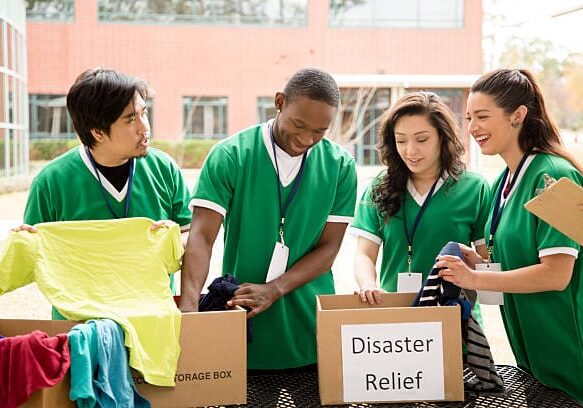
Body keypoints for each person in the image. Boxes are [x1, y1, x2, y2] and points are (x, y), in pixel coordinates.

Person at [180, 67, 357, 370]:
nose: (306, 138)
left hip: (310, 330)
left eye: (319, 131)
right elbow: (201, 237)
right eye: (299, 124)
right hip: (245, 325)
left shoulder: (340, 166)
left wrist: (275, 288)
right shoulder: (231, 155)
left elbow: (329, 250)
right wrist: (189, 307)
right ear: (279, 102)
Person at [437, 68, 583, 401]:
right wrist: (481, 259)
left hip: (571, 351)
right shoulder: (501, 182)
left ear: (518, 115)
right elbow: (521, 251)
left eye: (482, 117)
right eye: (469, 117)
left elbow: (557, 274)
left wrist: (474, 278)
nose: (472, 128)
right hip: (533, 354)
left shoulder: (555, 177)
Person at [17, 68, 192, 318]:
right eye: (130, 119)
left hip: (152, 321)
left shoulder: (163, 168)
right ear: (97, 131)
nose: (144, 127)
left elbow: (192, 237)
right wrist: (25, 245)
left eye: (144, 113)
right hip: (80, 327)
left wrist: (175, 239)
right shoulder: (50, 182)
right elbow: (36, 259)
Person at [351, 92, 490, 310]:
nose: (410, 150)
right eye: (401, 140)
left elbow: (486, 262)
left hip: (455, 315)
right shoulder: (378, 188)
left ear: (442, 137)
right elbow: (364, 254)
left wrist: (474, 269)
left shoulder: (475, 188)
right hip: (398, 316)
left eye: (422, 139)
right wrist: (368, 285)